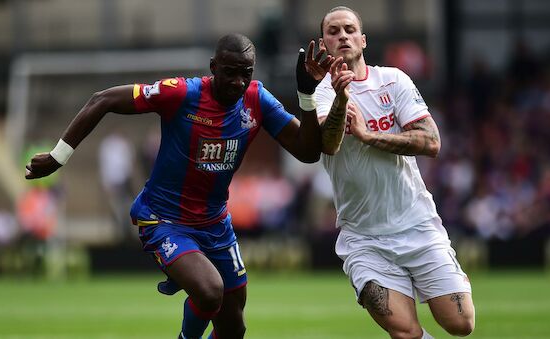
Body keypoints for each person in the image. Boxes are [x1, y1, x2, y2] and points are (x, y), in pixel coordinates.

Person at [25, 33, 334, 339]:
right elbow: (102, 100)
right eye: (230, 72)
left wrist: (305, 96)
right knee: (210, 291)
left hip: (215, 225)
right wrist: (58, 156)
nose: (238, 82)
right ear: (213, 66)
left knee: (233, 328)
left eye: (246, 73)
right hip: (164, 219)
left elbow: (307, 152)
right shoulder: (181, 94)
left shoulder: (257, 100)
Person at [308, 6, 476, 338]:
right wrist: (342, 98)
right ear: (324, 44)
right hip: (364, 239)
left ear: (363, 39)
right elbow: (329, 144)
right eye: (333, 31)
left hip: (417, 226)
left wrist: (370, 136)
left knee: (461, 324)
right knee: (405, 333)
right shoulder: (321, 93)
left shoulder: (394, 80)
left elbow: (431, 141)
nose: (342, 35)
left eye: (349, 29)